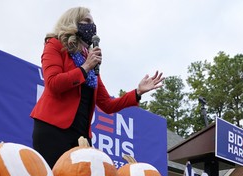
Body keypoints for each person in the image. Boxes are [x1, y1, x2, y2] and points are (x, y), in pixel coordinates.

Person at [30, 7, 164, 167]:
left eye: (93, 23)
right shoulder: (55, 44)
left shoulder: (89, 60)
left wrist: (138, 92)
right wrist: (85, 68)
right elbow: (53, 83)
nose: (92, 27)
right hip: (53, 129)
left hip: (81, 136)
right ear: (72, 21)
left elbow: (107, 104)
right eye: (87, 21)